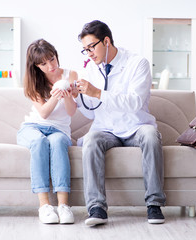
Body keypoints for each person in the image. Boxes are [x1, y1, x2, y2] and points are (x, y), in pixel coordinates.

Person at [75, 20, 166, 226]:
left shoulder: (137, 63)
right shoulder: (92, 69)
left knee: (151, 136)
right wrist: (79, 98)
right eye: (85, 50)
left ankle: (154, 204)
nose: (89, 53)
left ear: (106, 41)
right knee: (91, 140)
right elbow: (91, 113)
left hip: (136, 126)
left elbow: (134, 102)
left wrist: (97, 92)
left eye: (91, 47)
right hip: (107, 129)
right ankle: (96, 208)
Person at [17, 39, 77, 224]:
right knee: (39, 142)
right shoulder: (33, 81)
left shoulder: (71, 74)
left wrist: (67, 96)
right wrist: (55, 96)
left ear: (56, 55)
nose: (51, 66)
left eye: (52, 59)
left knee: (58, 142)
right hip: (33, 127)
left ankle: (63, 206)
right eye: (44, 63)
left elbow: (71, 111)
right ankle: (44, 206)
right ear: (36, 66)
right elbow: (43, 113)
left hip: (59, 130)